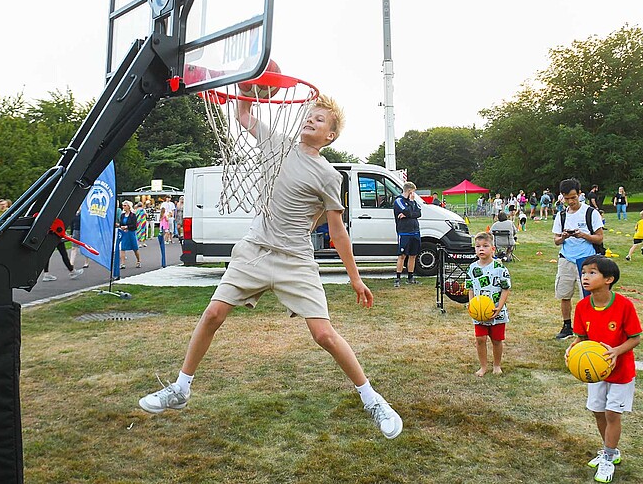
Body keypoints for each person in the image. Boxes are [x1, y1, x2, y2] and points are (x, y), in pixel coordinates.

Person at [138, 95, 402, 439]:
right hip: (255, 250)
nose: (311, 121)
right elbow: (244, 114)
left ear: (330, 136)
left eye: (320, 120)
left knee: (323, 334)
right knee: (213, 314)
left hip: (295, 259)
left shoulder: (328, 175)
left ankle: (372, 398)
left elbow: (337, 230)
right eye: (310, 115)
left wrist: (355, 278)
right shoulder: (277, 143)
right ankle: (181, 388)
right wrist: (249, 84)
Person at [564, 256, 642, 484]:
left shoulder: (624, 305)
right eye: (584, 273)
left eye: (592, 273)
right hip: (596, 372)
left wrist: (616, 351)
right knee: (598, 411)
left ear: (609, 279)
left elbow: (635, 338)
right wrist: (573, 348)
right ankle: (610, 449)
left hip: (620, 372)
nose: (585, 277)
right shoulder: (582, 307)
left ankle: (608, 456)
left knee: (611, 414)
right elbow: (581, 337)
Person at [552, 178, 604, 340]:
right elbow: (556, 240)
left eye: (573, 197)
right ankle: (567, 326)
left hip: (587, 260)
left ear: (580, 194)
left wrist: (583, 235)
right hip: (566, 259)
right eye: (567, 198)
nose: (570, 201)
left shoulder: (590, 213)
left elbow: (599, 238)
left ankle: (589, 327)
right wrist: (564, 236)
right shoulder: (561, 215)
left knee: (588, 297)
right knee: (564, 294)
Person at [466, 232, 511, 377]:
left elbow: (506, 288)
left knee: (497, 340)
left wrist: (499, 307)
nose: (481, 249)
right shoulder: (473, 268)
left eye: (485, 246)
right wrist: (472, 303)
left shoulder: (499, 267)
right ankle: (483, 366)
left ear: (493, 248)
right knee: (480, 339)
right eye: (478, 246)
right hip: (479, 312)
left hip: (496, 311)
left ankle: (497, 365)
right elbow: (471, 288)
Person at [393, 181, 422, 287]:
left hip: (415, 231)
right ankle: (398, 278)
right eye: (413, 192)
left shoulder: (413, 202)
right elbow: (408, 211)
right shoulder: (399, 201)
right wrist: (409, 207)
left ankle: (410, 277)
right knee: (402, 255)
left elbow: (418, 213)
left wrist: (407, 214)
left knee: (413, 255)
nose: (414, 194)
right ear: (409, 191)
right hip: (404, 231)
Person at [119, 200, 141, 268]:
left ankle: (138, 260)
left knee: (135, 247)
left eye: (125, 205)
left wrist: (127, 227)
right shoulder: (122, 215)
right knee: (122, 248)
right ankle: (122, 263)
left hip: (131, 233)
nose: (123, 207)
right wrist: (121, 227)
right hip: (124, 233)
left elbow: (134, 225)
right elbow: (121, 223)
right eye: (123, 205)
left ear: (129, 206)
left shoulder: (132, 215)